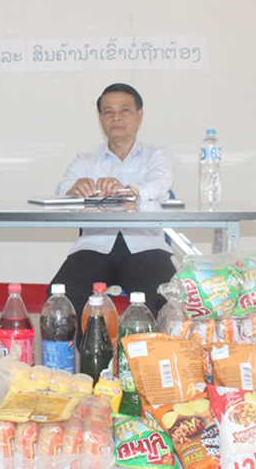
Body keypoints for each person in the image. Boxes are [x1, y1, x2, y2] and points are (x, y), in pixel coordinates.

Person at [49, 83, 176, 322]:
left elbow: (161, 183)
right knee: (62, 298)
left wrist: (129, 192)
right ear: (100, 118)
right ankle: (90, 347)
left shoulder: (157, 156)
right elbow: (62, 192)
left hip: (145, 245)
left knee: (163, 299)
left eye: (124, 110)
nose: (116, 117)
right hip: (94, 245)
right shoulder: (85, 160)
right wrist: (73, 191)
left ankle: (146, 348)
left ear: (139, 115)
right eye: (108, 111)